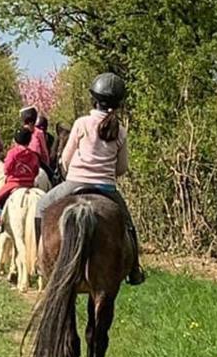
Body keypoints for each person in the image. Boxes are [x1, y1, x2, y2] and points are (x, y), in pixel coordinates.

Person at [35, 73, 145, 286]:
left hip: (75, 183)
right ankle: (134, 269)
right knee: (129, 225)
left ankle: (41, 261)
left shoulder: (82, 123)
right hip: (107, 187)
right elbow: (121, 168)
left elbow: (65, 159)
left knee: (42, 206)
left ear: (93, 98)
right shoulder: (121, 131)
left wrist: (69, 172)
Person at [0, 128, 41, 234]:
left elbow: (7, 168)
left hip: (14, 183)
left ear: (16, 140)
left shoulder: (12, 152)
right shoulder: (34, 155)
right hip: (30, 184)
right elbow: (36, 171)